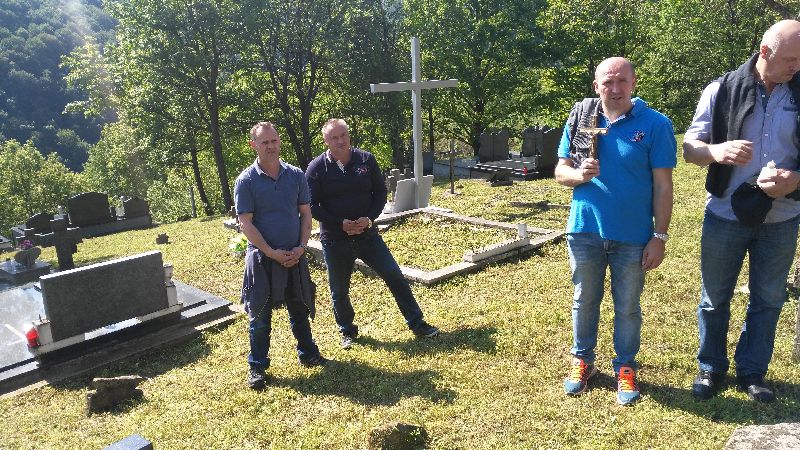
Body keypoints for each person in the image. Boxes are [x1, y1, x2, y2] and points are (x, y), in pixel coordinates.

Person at [683, 20, 800, 403]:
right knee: (715, 297)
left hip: (782, 216)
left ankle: (752, 371)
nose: (796, 67)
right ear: (765, 52)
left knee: (768, 299)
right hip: (725, 215)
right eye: (790, 59)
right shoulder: (721, 89)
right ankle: (710, 367)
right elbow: (690, 148)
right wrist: (716, 151)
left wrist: (795, 179)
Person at [555, 57, 676, 406]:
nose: (615, 88)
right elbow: (561, 171)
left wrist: (659, 236)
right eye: (608, 82)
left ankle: (625, 367)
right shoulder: (581, 118)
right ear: (597, 86)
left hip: (633, 235)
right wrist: (580, 175)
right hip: (585, 230)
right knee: (584, 300)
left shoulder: (656, 124)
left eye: (622, 81)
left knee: (627, 306)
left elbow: (663, 185)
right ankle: (583, 361)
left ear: (634, 83)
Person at [305, 118, 439, 349]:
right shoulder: (316, 168)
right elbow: (311, 205)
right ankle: (347, 330)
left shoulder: (366, 159)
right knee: (339, 290)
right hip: (336, 239)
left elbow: (380, 193)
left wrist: (370, 218)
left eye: (343, 135)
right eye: (334, 138)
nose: (340, 141)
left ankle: (417, 323)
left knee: (394, 276)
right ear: (326, 141)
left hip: (367, 235)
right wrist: (340, 223)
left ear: (349, 135)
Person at [234, 121, 329, 391]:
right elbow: (246, 223)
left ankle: (308, 353)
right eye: (264, 142)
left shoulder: (295, 175)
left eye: (274, 140)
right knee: (260, 317)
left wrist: (301, 247)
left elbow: (306, 214)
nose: (271, 146)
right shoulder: (246, 181)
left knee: (299, 309)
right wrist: (271, 252)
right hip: (263, 258)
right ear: (253, 145)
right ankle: (257, 366)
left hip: (294, 255)